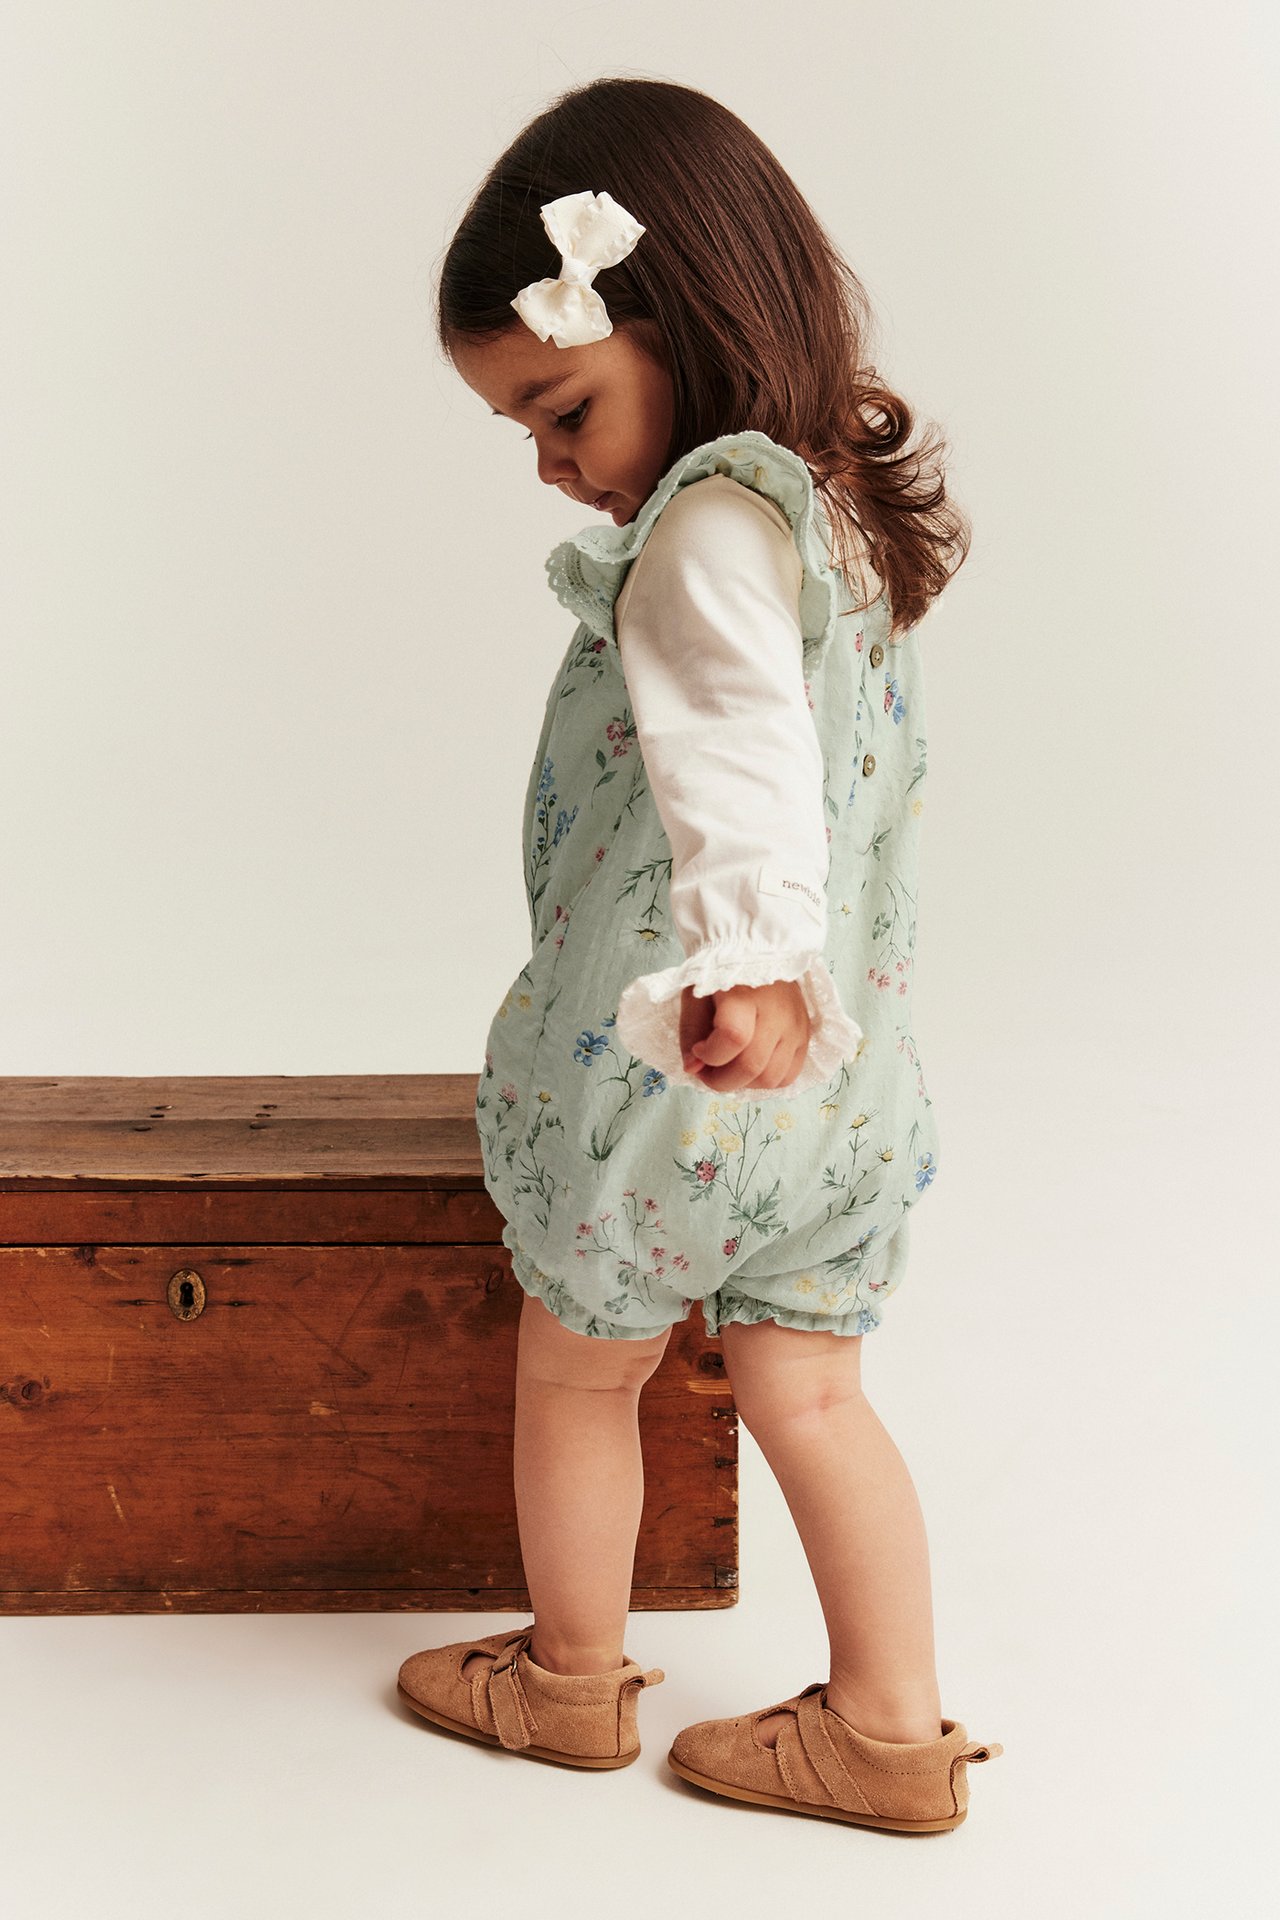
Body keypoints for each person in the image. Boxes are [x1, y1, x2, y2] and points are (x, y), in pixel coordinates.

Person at [396, 77, 1003, 1832]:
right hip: (846, 1086)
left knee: (583, 1362)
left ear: (687, 317)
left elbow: (738, 757)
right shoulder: (838, 518)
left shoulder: (707, 534)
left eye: (560, 401)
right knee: (812, 1391)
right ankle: (891, 1729)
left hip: (679, 1069)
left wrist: (739, 967)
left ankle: (566, 1679)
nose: (549, 458)